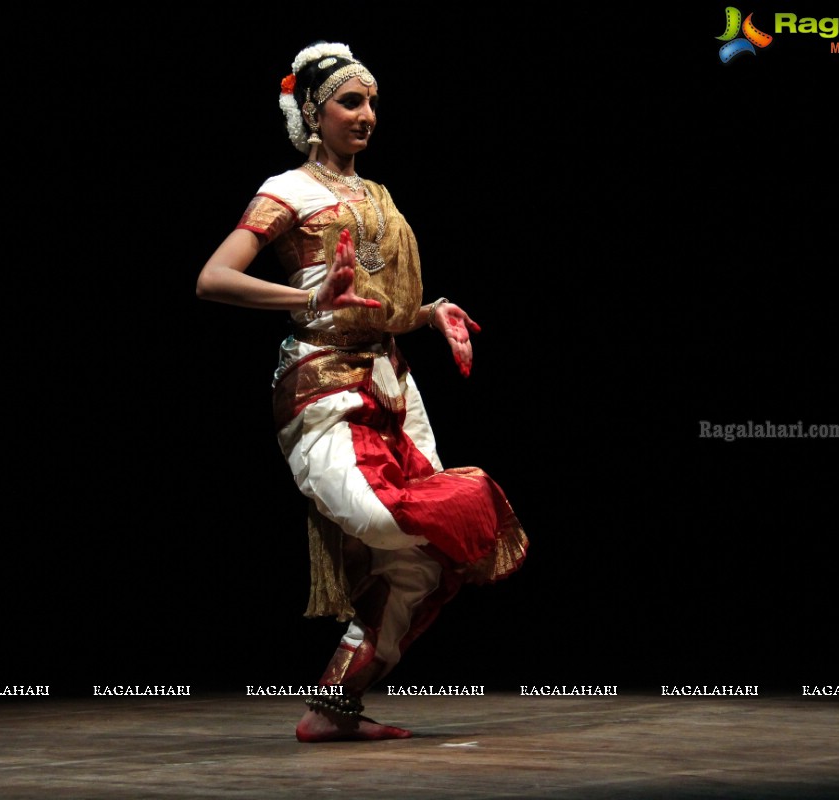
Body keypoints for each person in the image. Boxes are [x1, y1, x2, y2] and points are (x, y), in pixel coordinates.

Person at [196, 40, 528, 742]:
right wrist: (307, 295)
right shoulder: (286, 190)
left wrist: (430, 314)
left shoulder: (377, 194)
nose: (368, 114)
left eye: (373, 101)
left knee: (429, 559)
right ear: (314, 114)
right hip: (324, 390)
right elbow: (213, 279)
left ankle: (333, 707)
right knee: (388, 522)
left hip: (393, 387)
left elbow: (380, 305)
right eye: (351, 101)